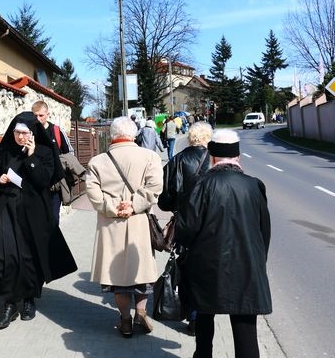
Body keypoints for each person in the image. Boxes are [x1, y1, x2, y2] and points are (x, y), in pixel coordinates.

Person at [176, 129, 272, 358]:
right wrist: (258, 261)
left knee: (204, 320)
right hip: (246, 266)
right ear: (237, 156)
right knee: (245, 328)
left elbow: (186, 228)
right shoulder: (254, 186)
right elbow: (264, 231)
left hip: (207, 266)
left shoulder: (203, 185)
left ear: (213, 157)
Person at [0, 111, 77, 330]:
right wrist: (0, 179)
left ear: (33, 133)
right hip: (7, 210)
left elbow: (44, 180)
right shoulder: (5, 150)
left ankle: (28, 300)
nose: (20, 137)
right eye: (17, 132)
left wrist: (32, 157)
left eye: (24, 133)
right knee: (4, 257)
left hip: (33, 213)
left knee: (29, 257)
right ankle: (9, 303)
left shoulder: (44, 151)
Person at [85, 116, 163, 338]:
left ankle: (125, 321)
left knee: (118, 279)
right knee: (141, 273)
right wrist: (135, 205)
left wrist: (112, 207)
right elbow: (155, 185)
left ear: (112, 135)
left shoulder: (97, 162)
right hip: (138, 221)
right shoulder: (150, 156)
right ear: (134, 134)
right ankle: (140, 312)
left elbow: (93, 193)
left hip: (110, 224)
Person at [157, 121, 213, 336]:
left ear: (190, 138)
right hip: (209, 224)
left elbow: (164, 199)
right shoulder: (214, 160)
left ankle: (191, 315)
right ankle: (201, 315)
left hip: (183, 223)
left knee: (186, 269)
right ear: (208, 138)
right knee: (205, 269)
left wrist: (175, 207)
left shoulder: (177, 160)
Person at [32, 100, 71, 225]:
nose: (38, 118)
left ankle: (53, 244)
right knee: (38, 221)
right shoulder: (29, 132)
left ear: (47, 114)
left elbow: (69, 153)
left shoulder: (56, 131)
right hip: (36, 186)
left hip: (55, 186)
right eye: (35, 115)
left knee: (53, 220)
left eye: (41, 115)